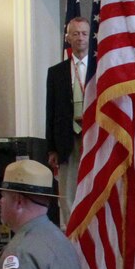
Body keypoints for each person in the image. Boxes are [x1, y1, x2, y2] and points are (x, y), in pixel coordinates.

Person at [46, 17, 90, 228]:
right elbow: (50, 111)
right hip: (66, 137)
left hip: (92, 135)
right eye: (75, 33)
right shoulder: (56, 72)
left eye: (83, 33)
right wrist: (51, 148)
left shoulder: (99, 68)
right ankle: (70, 230)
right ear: (68, 38)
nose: (80, 38)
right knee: (67, 189)